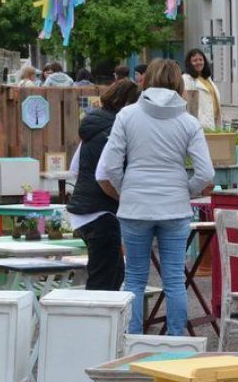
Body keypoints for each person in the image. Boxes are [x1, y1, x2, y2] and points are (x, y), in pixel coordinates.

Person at [99, 59, 214, 335]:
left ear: (145, 81)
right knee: (174, 279)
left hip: (135, 206)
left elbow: (111, 166)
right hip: (174, 207)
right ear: (178, 83)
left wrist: (126, 190)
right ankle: (176, 343)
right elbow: (206, 173)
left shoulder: (127, 115)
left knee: (135, 279)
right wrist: (185, 191)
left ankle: (134, 341)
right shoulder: (188, 122)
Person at [67, 80, 141, 291]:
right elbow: (105, 175)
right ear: (127, 103)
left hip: (82, 211)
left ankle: (105, 322)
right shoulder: (115, 129)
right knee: (105, 280)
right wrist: (124, 198)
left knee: (112, 273)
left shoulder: (92, 126)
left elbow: (74, 169)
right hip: (102, 212)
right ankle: (95, 323)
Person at [183, 48, 222, 130]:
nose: (198, 62)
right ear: (189, 63)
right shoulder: (186, 79)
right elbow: (186, 104)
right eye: (195, 60)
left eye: (201, 59)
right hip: (198, 124)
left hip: (213, 121)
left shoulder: (207, 79)